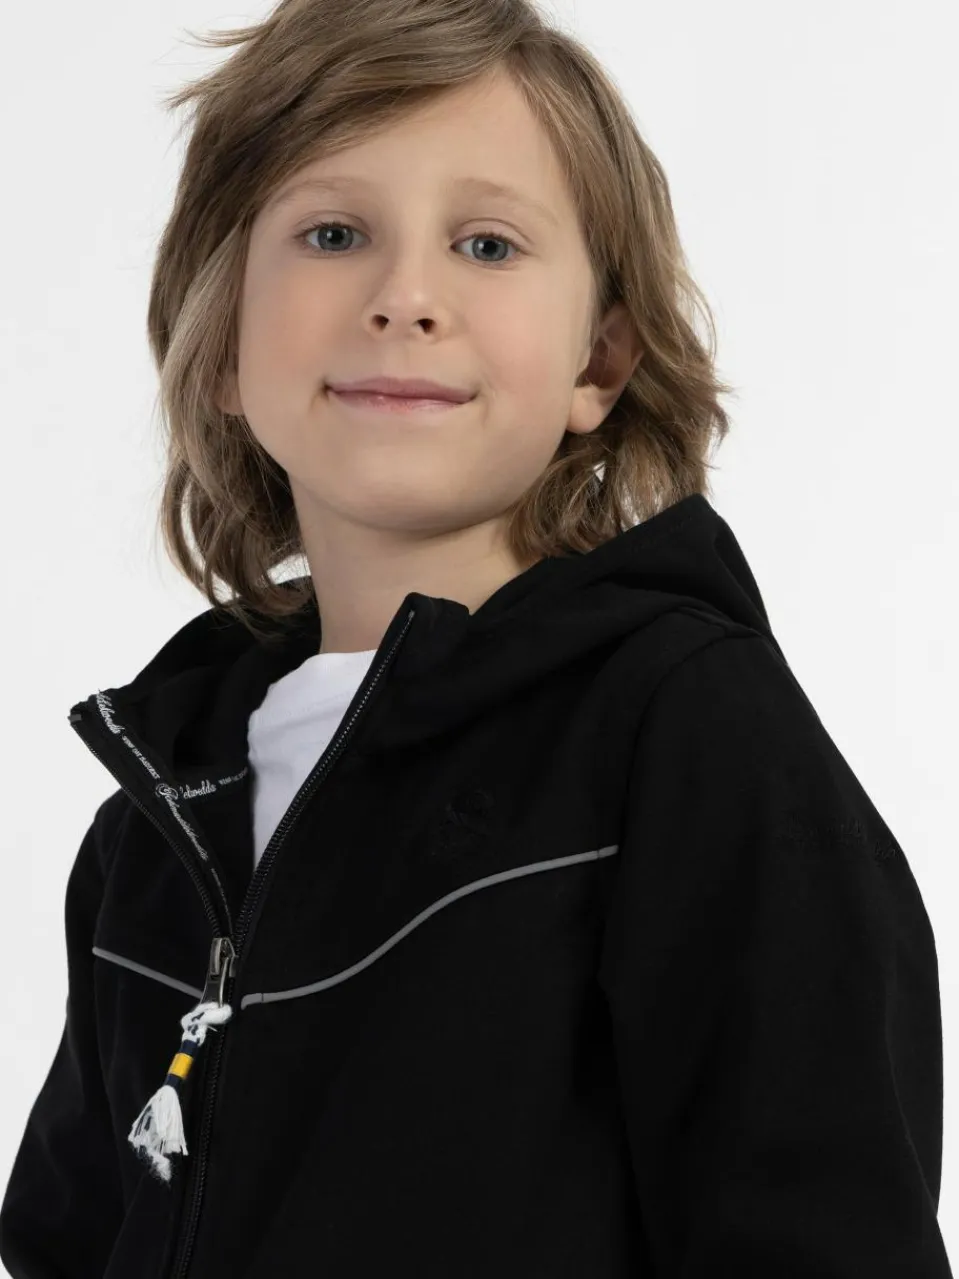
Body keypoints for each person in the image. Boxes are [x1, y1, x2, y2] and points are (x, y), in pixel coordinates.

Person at [1, 0, 952, 1274]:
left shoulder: (682, 737)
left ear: (598, 361)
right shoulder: (157, 817)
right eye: (333, 233)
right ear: (220, 338)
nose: (404, 297)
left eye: (487, 244)